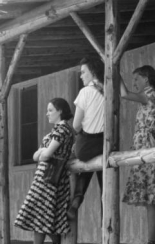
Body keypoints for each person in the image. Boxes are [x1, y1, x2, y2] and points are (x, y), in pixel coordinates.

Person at [14, 98, 74, 244]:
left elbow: (46, 155)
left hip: (50, 179)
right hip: (42, 178)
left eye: (50, 110)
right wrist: (42, 152)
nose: (47, 113)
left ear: (60, 111)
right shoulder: (54, 132)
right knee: (41, 217)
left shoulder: (63, 130)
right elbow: (35, 156)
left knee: (40, 218)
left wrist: (43, 152)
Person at [120, 65, 155, 244]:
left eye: (137, 79)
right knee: (154, 200)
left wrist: (113, 72)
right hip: (150, 148)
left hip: (146, 150)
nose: (135, 83)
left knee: (151, 199)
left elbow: (124, 94)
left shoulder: (150, 95)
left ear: (147, 79)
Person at [67, 56, 105, 220]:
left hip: (86, 145)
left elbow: (75, 126)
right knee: (103, 178)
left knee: (79, 160)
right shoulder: (108, 90)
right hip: (106, 143)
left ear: (93, 72)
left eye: (83, 72)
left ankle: (76, 200)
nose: (81, 76)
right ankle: (106, 220)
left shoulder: (85, 92)